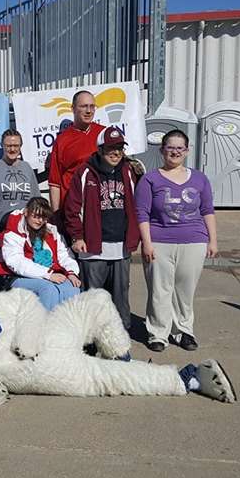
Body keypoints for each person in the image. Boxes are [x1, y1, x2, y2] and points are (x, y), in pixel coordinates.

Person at [136, 129, 217, 353]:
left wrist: (213, 240)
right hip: (159, 241)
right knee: (160, 289)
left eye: (179, 148)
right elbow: (142, 213)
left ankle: (183, 332)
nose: (175, 152)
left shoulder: (200, 178)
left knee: (185, 290)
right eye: (170, 147)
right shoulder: (149, 179)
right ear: (162, 150)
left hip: (194, 241)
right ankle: (158, 333)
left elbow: (207, 210)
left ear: (187, 150)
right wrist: (147, 243)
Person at [63, 126, 140, 331]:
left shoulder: (128, 170)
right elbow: (72, 209)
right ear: (99, 149)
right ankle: (91, 337)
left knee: (120, 297)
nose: (116, 153)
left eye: (120, 148)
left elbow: (135, 205)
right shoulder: (85, 172)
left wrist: (134, 236)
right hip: (93, 247)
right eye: (111, 148)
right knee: (93, 297)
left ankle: (121, 337)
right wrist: (77, 237)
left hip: (121, 247)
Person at [0, 197, 81, 310]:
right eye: (36, 216)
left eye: (43, 217)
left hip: (41, 272)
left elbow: (64, 255)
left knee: (72, 288)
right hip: (8, 274)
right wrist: (48, 274)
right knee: (48, 289)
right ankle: (43, 324)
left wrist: (71, 272)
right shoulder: (14, 229)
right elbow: (15, 262)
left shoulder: (51, 231)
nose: (39, 221)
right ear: (26, 212)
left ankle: (66, 324)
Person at [0, 129, 40, 250]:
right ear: (2, 146)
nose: (12, 149)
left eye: (16, 146)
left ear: (21, 146)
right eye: (8, 146)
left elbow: (36, 202)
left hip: (24, 233)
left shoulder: (27, 168)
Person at [47, 91, 105, 211]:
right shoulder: (62, 140)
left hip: (101, 205)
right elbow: (55, 183)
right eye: (83, 106)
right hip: (73, 208)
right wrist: (56, 215)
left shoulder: (104, 134)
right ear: (73, 109)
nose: (88, 111)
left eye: (92, 106)